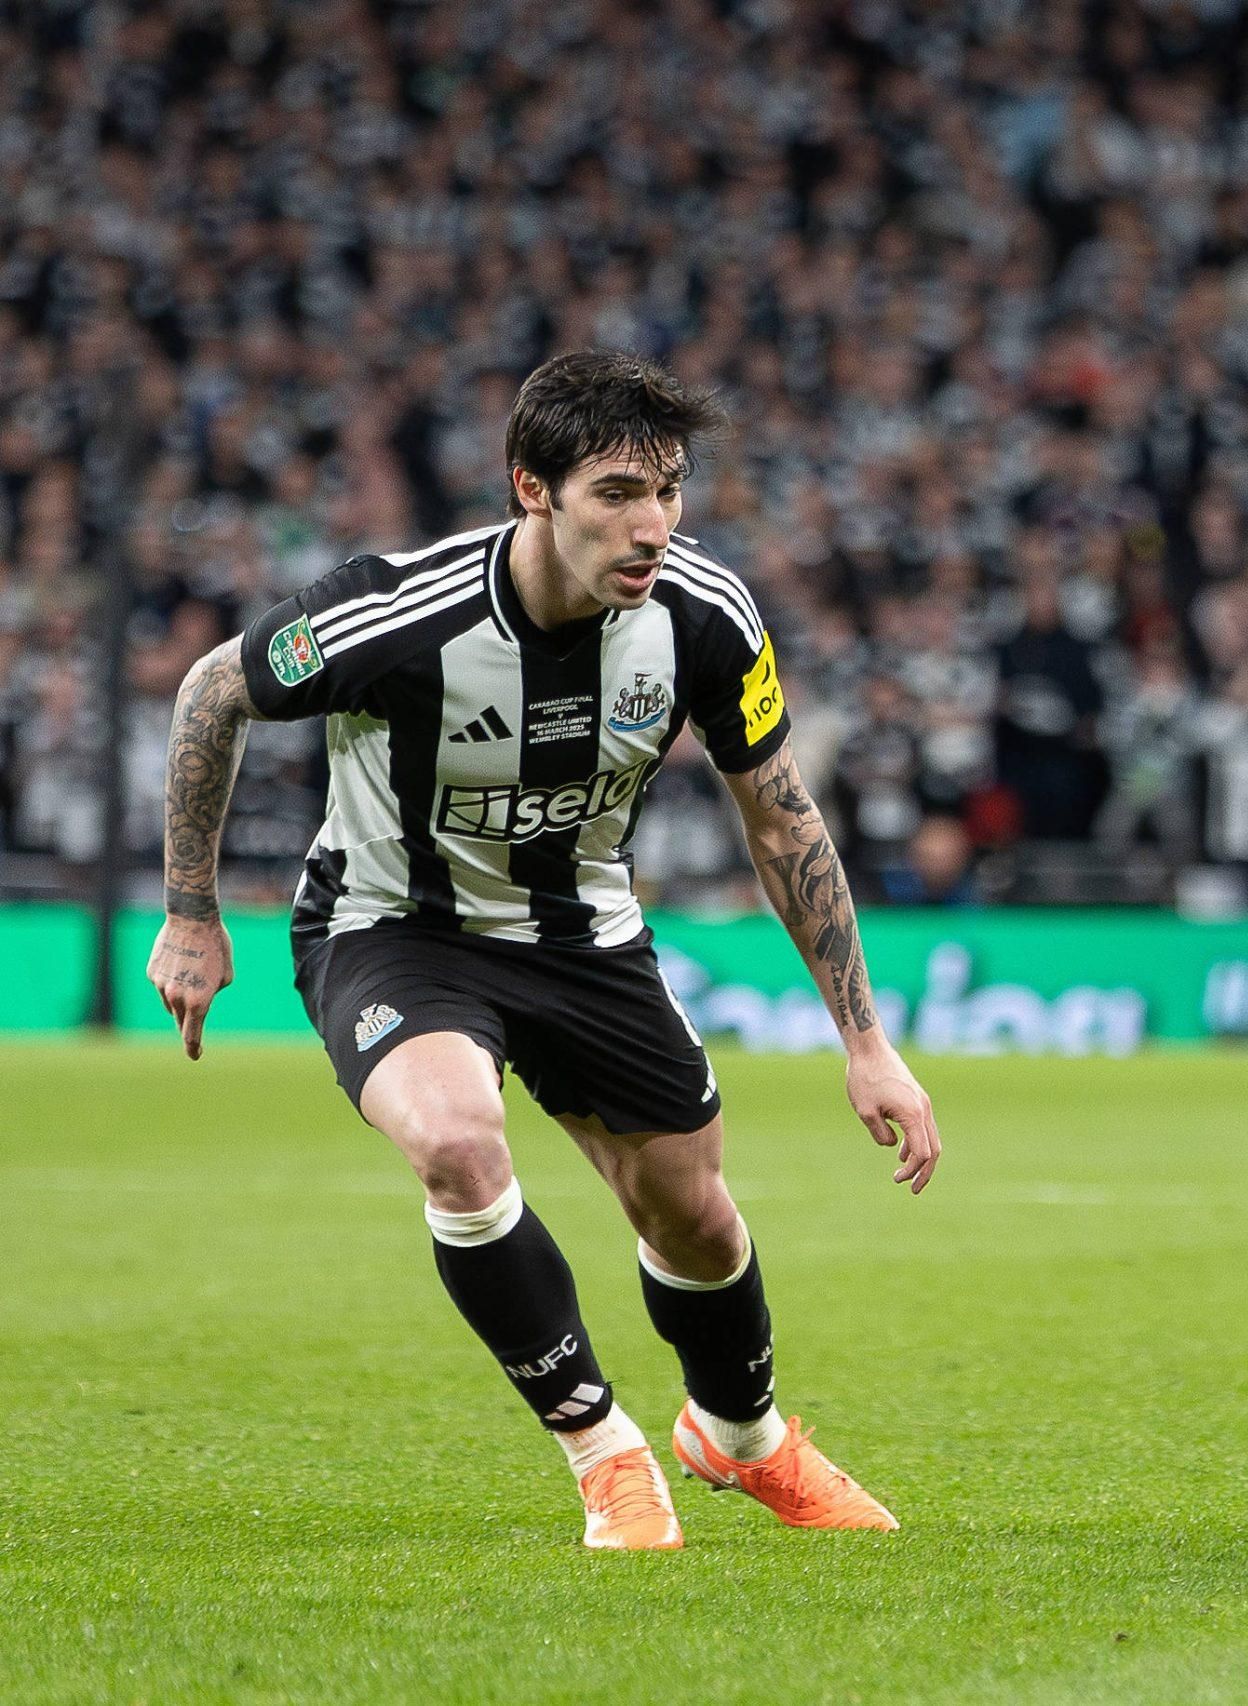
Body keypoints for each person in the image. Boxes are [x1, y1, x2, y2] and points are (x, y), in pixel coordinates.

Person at [145, 351, 945, 1551]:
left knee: (697, 1219)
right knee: (457, 1143)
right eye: (618, 492)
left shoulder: (703, 617)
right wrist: (191, 907)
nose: (652, 525)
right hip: (393, 922)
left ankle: (743, 1438)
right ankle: (603, 1449)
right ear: (534, 488)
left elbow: (782, 818)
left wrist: (866, 1040)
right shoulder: (398, 610)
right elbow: (214, 692)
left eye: (669, 489)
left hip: (582, 932)